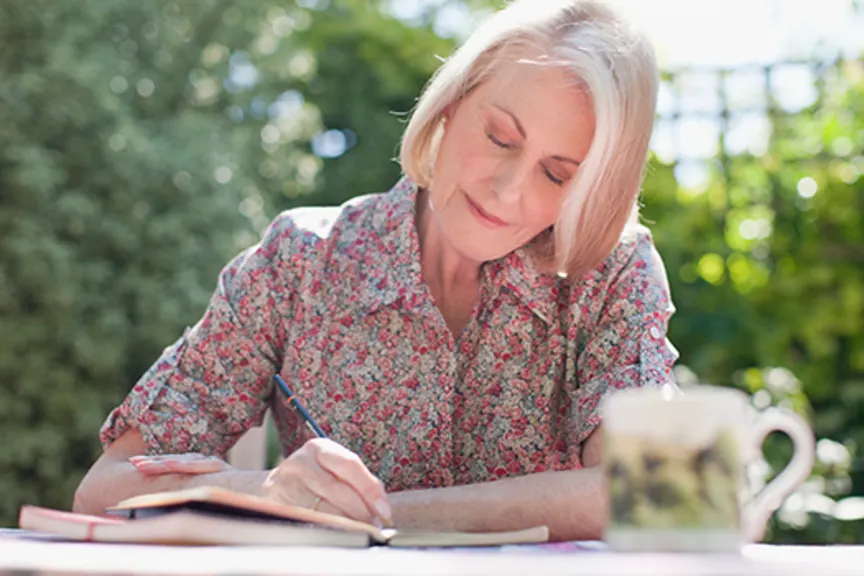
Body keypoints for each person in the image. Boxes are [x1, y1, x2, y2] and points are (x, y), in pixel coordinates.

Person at [74, 0, 678, 542]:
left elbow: (647, 491)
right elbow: (106, 487)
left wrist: (379, 512)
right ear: (450, 105)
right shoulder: (300, 262)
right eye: (499, 137)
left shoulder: (612, 274)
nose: (508, 191)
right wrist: (264, 494)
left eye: (556, 175)